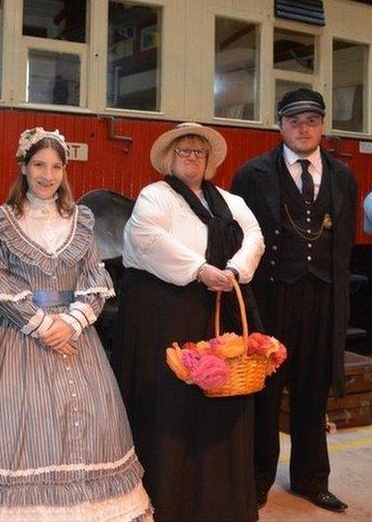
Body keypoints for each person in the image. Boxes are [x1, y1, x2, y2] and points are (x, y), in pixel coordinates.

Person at [0, 127, 152, 521]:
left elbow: (94, 282)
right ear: (24, 168)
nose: (48, 175)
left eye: (56, 166)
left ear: (65, 171)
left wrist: (73, 324)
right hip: (19, 338)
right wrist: (45, 327)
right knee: (12, 421)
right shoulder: (4, 220)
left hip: (77, 341)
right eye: (39, 165)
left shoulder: (81, 220)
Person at [113, 122, 265, 521]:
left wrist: (233, 269)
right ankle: (171, 501)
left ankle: (218, 502)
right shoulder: (155, 196)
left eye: (199, 152)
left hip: (217, 310)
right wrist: (201, 269)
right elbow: (148, 239)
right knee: (172, 408)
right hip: (167, 316)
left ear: (209, 160)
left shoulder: (230, 201)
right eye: (184, 152)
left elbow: (254, 236)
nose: (192, 159)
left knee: (220, 406)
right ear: (170, 158)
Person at [230, 88, 357, 513]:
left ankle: (310, 479)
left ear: (323, 125)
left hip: (322, 297)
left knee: (312, 389)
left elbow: (344, 246)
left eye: (312, 121)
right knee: (265, 390)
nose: (303, 129)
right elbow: (239, 239)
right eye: (294, 121)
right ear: (279, 125)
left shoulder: (343, 178)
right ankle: (258, 477)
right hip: (272, 296)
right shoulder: (252, 175)